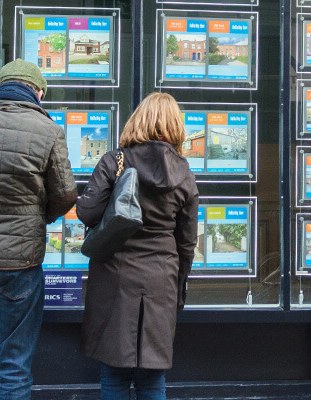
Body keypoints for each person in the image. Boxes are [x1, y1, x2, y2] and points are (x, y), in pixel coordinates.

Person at [0, 58, 77, 399]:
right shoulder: (48, 131)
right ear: (38, 92)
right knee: (14, 364)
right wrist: (38, 218)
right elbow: (65, 194)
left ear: (1, 87)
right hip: (19, 265)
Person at [77, 92, 199, 400]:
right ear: (175, 126)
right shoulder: (184, 174)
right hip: (161, 278)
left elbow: (87, 212)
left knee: (114, 372)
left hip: (114, 276)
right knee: (152, 374)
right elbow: (187, 243)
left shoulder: (114, 161)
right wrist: (178, 282)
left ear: (137, 120)